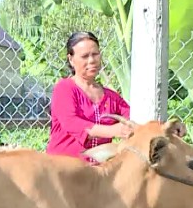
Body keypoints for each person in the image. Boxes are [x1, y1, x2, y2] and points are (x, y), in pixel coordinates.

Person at [45, 31, 134, 162]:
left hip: (98, 174)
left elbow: (135, 118)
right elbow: (72, 123)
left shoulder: (112, 97)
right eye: (85, 56)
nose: (91, 60)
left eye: (95, 54)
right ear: (71, 59)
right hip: (62, 170)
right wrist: (113, 130)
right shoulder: (65, 88)